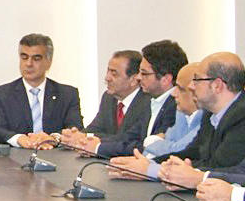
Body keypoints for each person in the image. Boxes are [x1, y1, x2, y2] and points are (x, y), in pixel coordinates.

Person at [110, 51, 245, 187]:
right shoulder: (210, 114)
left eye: (197, 80)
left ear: (217, 85)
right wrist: (150, 163)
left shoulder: (241, 117)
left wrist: (154, 170)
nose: (191, 86)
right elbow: (193, 152)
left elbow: (219, 166)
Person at [79, 40, 184, 157]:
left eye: (144, 73)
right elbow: (128, 137)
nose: (138, 77)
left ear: (165, 79)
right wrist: (90, 142)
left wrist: (98, 148)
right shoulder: (154, 102)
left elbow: (147, 148)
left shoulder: (177, 107)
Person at [0, 34, 83, 148]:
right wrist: (19, 139)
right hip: (16, 156)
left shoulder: (67, 94)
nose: (29, 64)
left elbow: (74, 129)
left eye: (36, 58)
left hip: (56, 154)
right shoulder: (2, 94)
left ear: (49, 62)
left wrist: (54, 138)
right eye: (24, 57)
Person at [61, 50, 147, 146]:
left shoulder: (147, 102)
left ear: (134, 80)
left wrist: (87, 137)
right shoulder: (108, 98)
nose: (107, 78)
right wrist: (75, 136)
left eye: (114, 74)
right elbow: (95, 128)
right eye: (108, 71)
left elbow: (127, 139)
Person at [141, 62, 202, 158]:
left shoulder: (208, 118)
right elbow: (147, 154)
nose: (173, 93)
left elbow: (179, 150)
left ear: (197, 92)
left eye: (180, 89)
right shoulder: (181, 113)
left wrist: (151, 142)